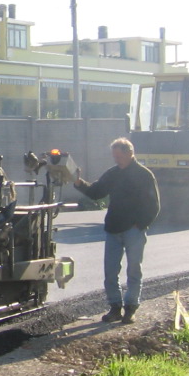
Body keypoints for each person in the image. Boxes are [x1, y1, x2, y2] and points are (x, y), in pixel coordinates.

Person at [74, 137, 160, 324]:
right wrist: (79, 182)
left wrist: (141, 224)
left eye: (119, 156)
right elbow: (97, 192)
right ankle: (114, 307)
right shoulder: (112, 174)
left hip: (134, 231)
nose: (116, 159)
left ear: (130, 153)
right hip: (113, 228)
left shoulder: (144, 175)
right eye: (114, 156)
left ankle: (130, 308)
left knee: (134, 270)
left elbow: (154, 205)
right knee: (110, 272)